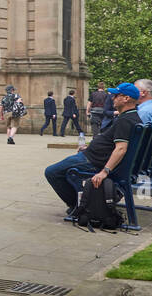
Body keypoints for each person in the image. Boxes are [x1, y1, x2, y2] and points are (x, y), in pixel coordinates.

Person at [44, 84, 140, 215]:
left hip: (93, 161)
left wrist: (105, 171)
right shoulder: (131, 117)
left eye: (116, 95)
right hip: (91, 155)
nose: (112, 98)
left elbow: (121, 149)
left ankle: (80, 206)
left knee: (52, 172)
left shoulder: (125, 120)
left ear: (126, 98)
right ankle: (82, 203)